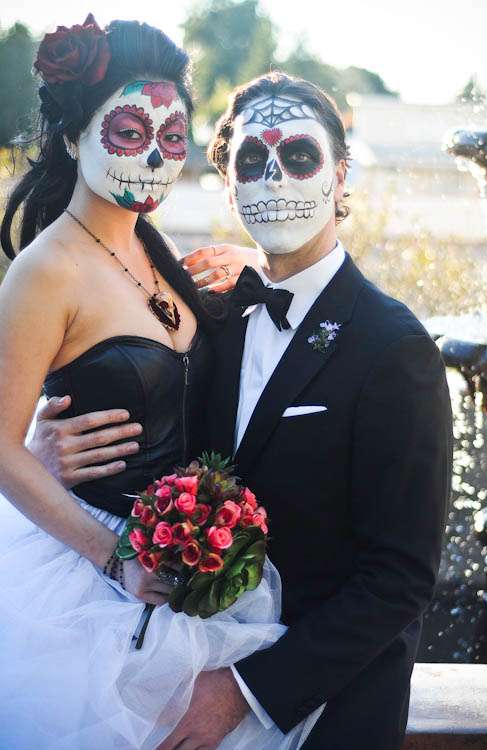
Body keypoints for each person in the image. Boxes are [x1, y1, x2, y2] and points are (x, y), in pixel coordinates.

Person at [38, 71, 454, 750]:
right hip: (188, 660)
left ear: (340, 176)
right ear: (228, 185)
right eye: (252, 160)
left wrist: (248, 691)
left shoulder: (394, 348)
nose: (275, 178)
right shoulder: (210, 320)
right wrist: (45, 452)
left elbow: (400, 579)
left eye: (300, 156)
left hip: (324, 700)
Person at [0, 17, 321, 750]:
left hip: (186, 570)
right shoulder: (46, 271)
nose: (154, 154)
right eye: (130, 131)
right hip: (90, 585)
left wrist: (250, 272)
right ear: (74, 135)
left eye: (173, 137)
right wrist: (115, 558)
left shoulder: (157, 249)